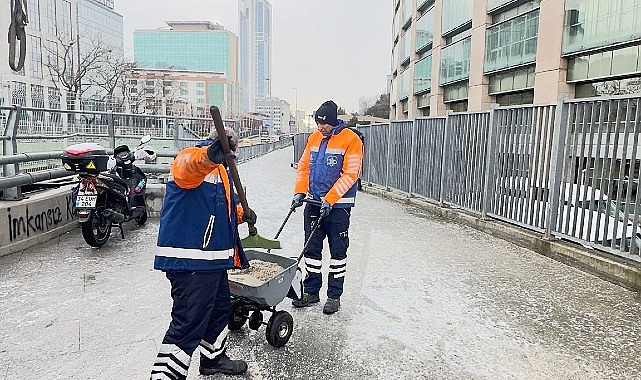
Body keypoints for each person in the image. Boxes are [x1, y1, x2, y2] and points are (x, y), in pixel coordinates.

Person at [150, 127, 256, 379]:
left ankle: (213, 359)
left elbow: (218, 209)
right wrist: (211, 154)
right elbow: (189, 168)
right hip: (191, 260)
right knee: (188, 321)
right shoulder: (193, 157)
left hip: (213, 262)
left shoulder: (222, 172)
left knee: (220, 310)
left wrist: (242, 215)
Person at [291, 100, 364, 314]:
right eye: (317, 123)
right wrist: (299, 192)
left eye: (323, 124)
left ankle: (334, 296)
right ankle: (311, 292)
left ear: (333, 121)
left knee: (337, 252)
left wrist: (330, 199)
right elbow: (304, 168)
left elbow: (351, 174)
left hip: (338, 207)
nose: (320, 127)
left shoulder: (351, 140)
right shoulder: (314, 138)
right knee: (311, 250)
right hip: (313, 203)